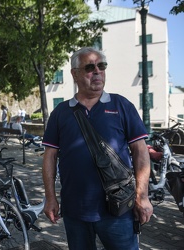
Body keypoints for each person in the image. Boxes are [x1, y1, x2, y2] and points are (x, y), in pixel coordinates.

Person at [42, 47, 153, 250]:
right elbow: (50, 157)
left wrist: (142, 196)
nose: (97, 72)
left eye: (101, 66)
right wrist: (50, 197)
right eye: (90, 67)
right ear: (74, 74)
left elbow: (140, 151)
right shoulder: (61, 112)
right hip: (75, 210)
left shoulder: (121, 105)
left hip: (117, 209)